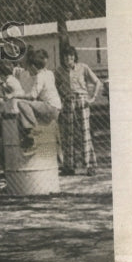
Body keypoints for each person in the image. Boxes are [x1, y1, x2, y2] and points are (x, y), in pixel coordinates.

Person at [55, 46, 102, 175]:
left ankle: (89, 166)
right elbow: (54, 87)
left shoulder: (83, 67)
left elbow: (97, 82)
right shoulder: (58, 71)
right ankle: (69, 166)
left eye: (70, 56)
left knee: (85, 133)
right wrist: (60, 99)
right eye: (65, 56)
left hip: (82, 101)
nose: (68, 59)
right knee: (68, 135)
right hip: (68, 103)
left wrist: (92, 98)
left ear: (74, 57)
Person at [12, 48, 62, 151]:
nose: (29, 71)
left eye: (29, 68)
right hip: (56, 107)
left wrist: (16, 95)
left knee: (22, 104)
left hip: (50, 107)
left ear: (34, 67)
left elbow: (32, 96)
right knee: (28, 107)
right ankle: (31, 132)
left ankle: (34, 129)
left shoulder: (40, 76)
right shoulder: (49, 73)